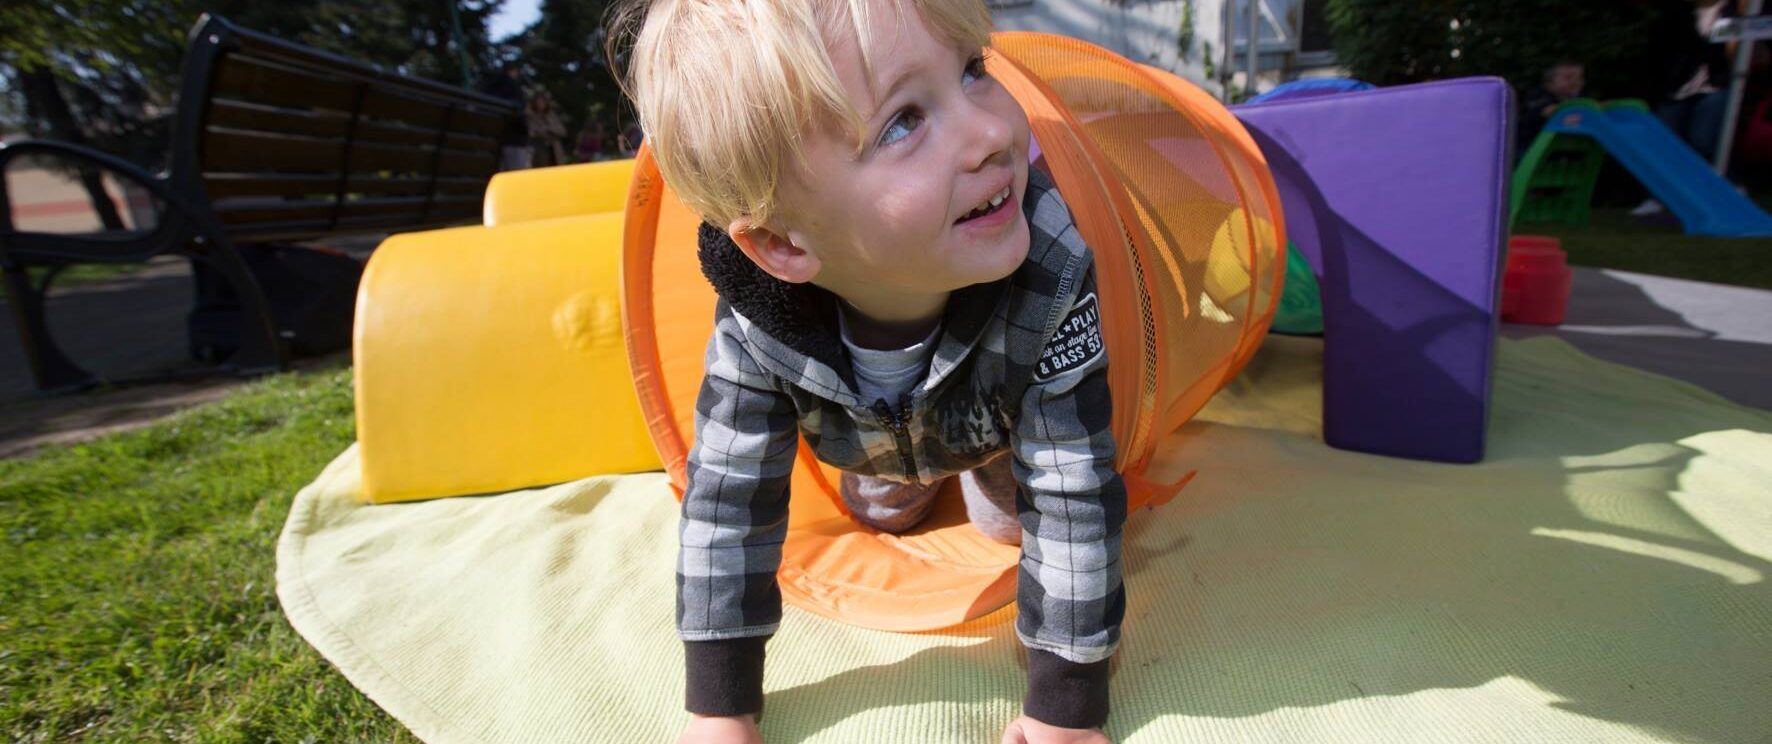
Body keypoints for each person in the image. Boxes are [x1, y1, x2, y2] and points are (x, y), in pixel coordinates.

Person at [621, 0, 1124, 742]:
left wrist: (1067, 709)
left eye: (972, 70)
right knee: (880, 511)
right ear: (785, 246)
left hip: (995, 415)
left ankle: (977, 478)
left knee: (1015, 523)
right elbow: (728, 501)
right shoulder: (758, 325)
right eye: (902, 122)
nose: (990, 132)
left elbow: (1075, 485)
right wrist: (719, 708)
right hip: (861, 432)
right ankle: (906, 479)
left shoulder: (1049, 266)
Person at [1517, 61, 1585, 158]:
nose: (1575, 82)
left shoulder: (1580, 98)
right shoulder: (1539, 95)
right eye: (1568, 78)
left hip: (1560, 147)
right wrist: (1555, 111)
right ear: (1550, 83)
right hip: (1531, 147)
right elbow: (1540, 111)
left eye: (1580, 78)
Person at [483, 61, 531, 171]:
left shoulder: (490, 87)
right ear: (514, 71)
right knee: (516, 175)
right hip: (514, 139)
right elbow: (518, 115)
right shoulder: (513, 88)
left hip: (492, 139)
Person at [527, 90, 568, 167]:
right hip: (538, 150)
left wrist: (549, 129)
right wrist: (545, 131)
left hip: (554, 151)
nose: (540, 103)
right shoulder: (530, 115)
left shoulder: (551, 115)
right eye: (538, 101)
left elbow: (562, 131)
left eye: (543, 101)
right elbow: (532, 132)